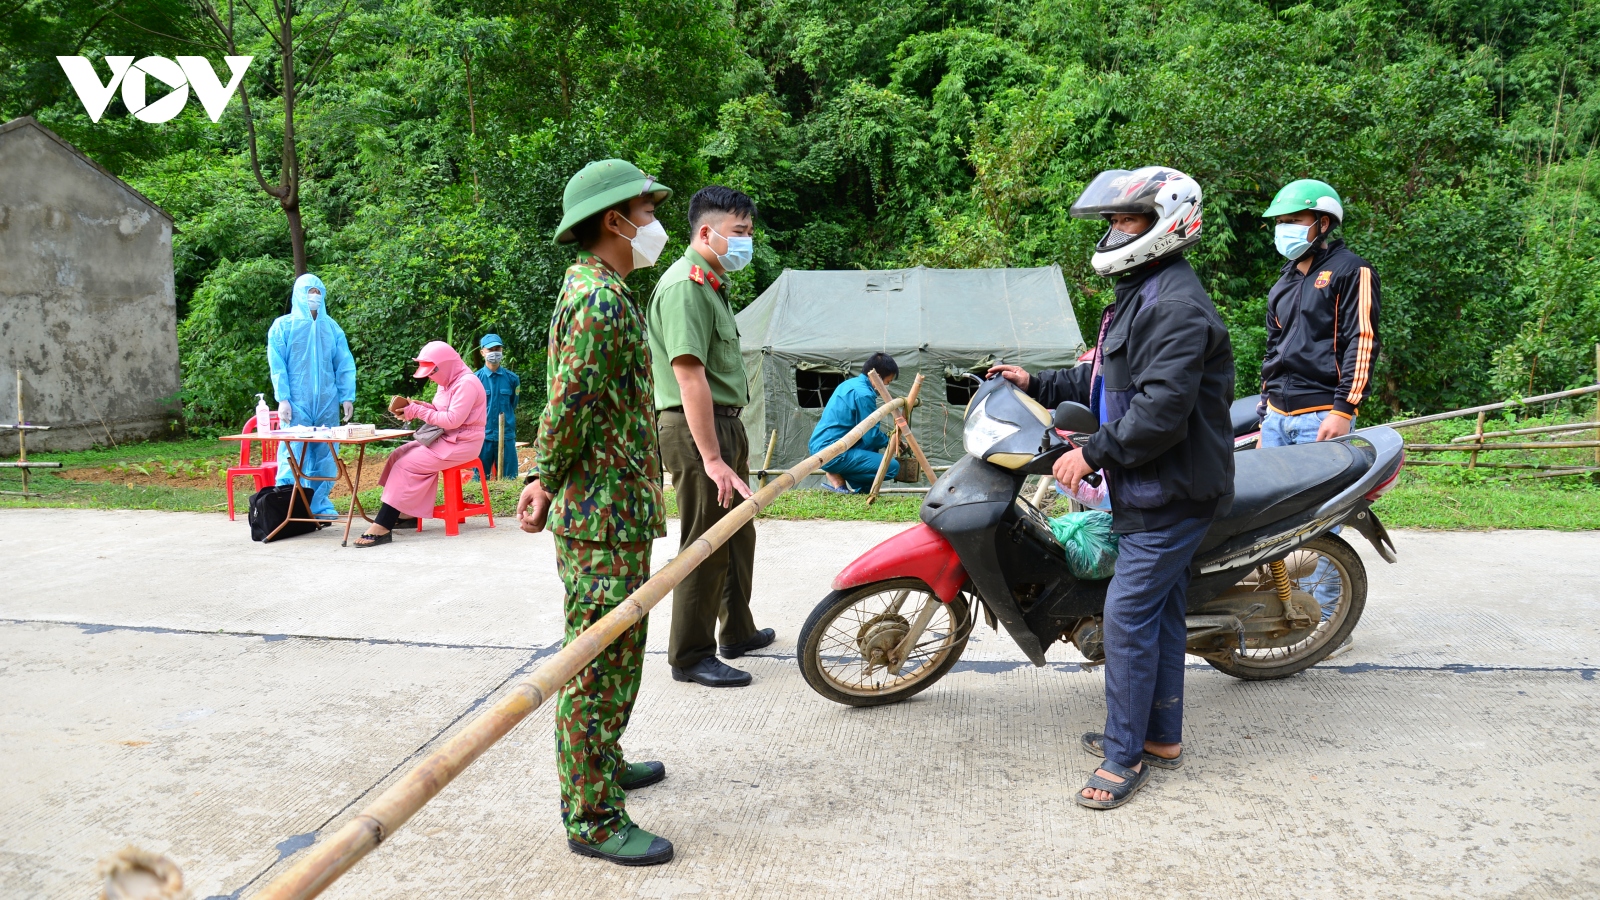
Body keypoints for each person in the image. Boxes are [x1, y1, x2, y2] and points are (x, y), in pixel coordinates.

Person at [988, 166, 1234, 810]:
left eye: (1127, 220)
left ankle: (1124, 758)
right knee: (1161, 616)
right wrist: (1035, 382)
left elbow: (1158, 411)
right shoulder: (1142, 292)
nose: (1115, 232)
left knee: (1126, 620)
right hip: (1151, 485)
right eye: (1113, 221)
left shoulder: (1176, 306)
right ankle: (1161, 738)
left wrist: (1091, 453)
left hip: (1170, 491)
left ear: (1168, 223)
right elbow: (1102, 379)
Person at [514, 159, 675, 866]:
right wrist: (543, 478)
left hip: (612, 508)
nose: (652, 224)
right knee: (599, 662)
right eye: (645, 211)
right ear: (614, 221)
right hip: (602, 514)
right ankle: (592, 814)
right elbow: (571, 403)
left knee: (613, 652)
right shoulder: (601, 299)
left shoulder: (598, 287)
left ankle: (602, 761)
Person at [646, 185, 773, 689]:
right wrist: (713, 458)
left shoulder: (712, 286)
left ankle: (736, 630)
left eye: (749, 234)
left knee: (738, 530)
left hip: (723, 423)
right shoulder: (686, 287)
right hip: (695, 428)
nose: (747, 243)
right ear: (706, 232)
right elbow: (689, 376)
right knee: (705, 540)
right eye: (739, 233)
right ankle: (690, 654)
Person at [1258, 179, 1381, 650]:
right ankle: (1285, 609)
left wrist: (1345, 407)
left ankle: (1327, 627)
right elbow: (1274, 348)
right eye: (1280, 222)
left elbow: (1362, 339)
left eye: (1293, 220)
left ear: (1323, 223)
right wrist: (1265, 405)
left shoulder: (1352, 270)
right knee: (1270, 524)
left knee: (1322, 525)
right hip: (1277, 417)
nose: (1284, 230)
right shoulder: (1285, 281)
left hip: (1321, 415)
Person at [353, 341, 486, 547]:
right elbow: (438, 409)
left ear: (445, 366)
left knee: (405, 465)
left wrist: (417, 411)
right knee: (398, 454)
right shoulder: (447, 383)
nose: (431, 378)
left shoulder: (466, 383)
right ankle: (406, 514)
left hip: (462, 443)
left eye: (432, 372)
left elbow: (452, 420)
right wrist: (418, 406)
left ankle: (383, 524)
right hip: (445, 439)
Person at [266, 273, 356, 518]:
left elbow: (344, 362)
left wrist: (347, 396)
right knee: (293, 452)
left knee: (327, 454)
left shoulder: (331, 327)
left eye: (317, 293)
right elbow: (278, 364)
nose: (313, 298)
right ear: (298, 295)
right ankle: (290, 506)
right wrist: (282, 397)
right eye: (309, 293)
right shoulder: (283, 326)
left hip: (326, 402)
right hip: (296, 402)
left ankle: (318, 504)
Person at [809, 352, 901, 493]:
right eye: (887, 382)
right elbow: (871, 436)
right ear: (879, 376)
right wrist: (893, 441)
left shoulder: (848, 384)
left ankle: (857, 490)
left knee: (869, 449)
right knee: (892, 467)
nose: (887, 386)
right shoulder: (864, 394)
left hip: (820, 445)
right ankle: (836, 474)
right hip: (832, 451)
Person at [474, 333, 521, 480]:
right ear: (482, 352)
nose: (495, 352)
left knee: (510, 479)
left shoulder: (512, 379)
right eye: (490, 349)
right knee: (480, 479)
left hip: (506, 435)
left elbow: (513, 403)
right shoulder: (475, 380)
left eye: (498, 348)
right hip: (483, 436)